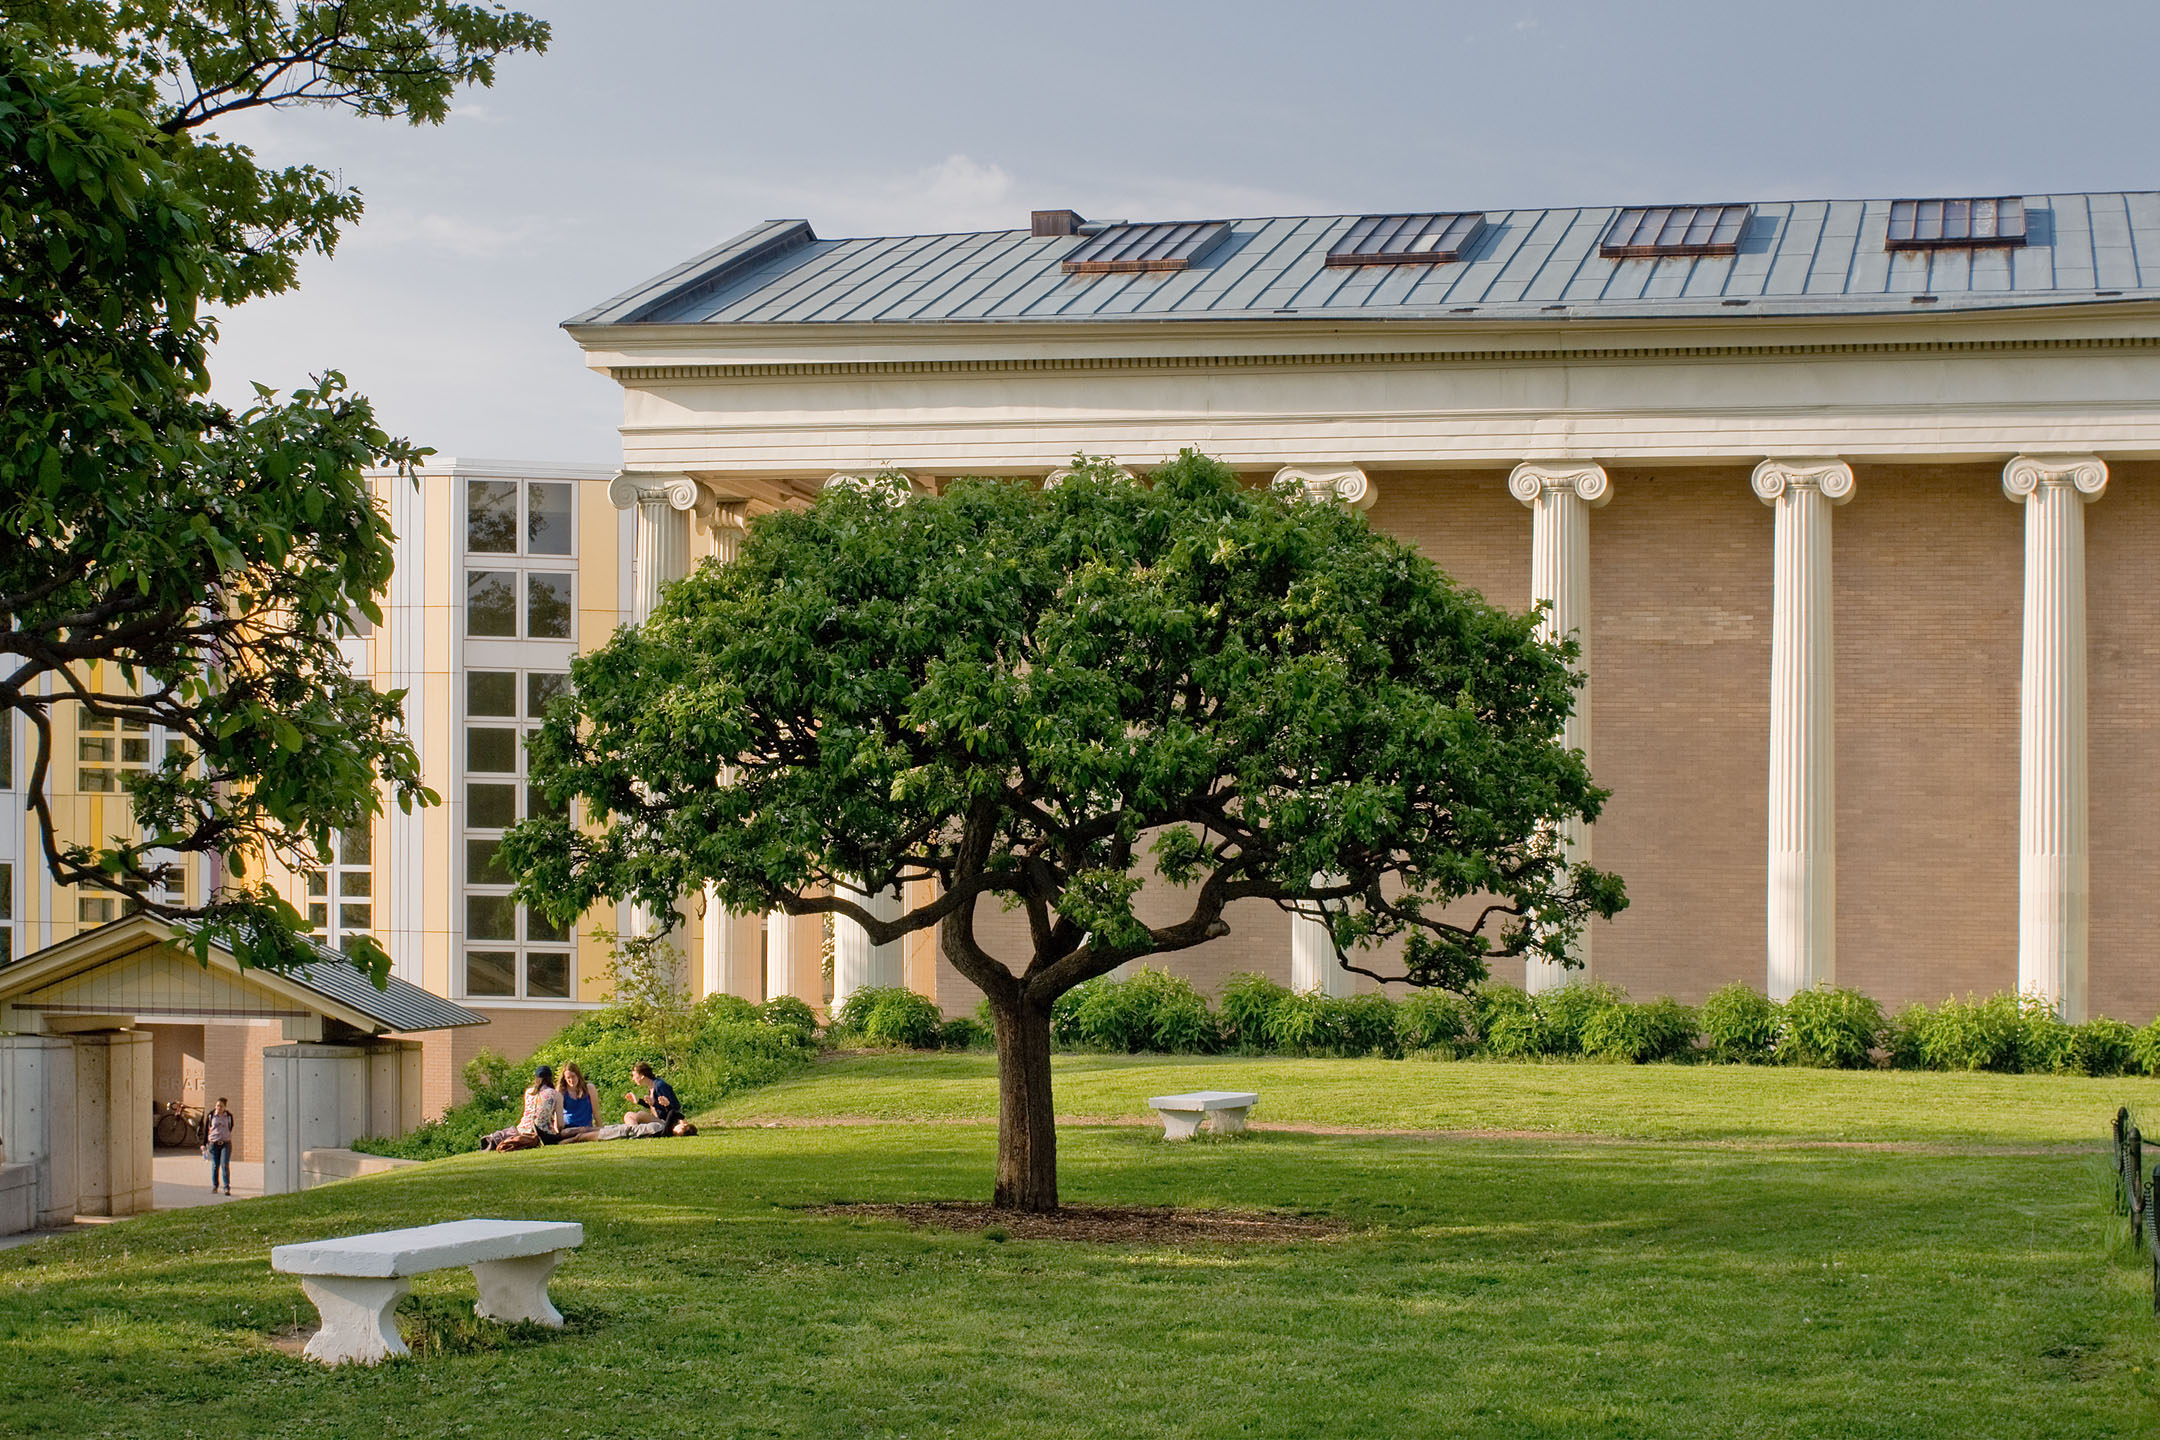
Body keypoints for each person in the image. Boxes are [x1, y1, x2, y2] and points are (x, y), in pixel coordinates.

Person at [623, 1061, 690, 1134]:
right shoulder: (651, 1086)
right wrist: (638, 1101)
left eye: (634, 1075)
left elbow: (672, 1108)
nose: (633, 1079)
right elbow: (656, 1107)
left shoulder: (660, 1086)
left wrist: (654, 1103)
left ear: (642, 1076)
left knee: (639, 1114)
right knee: (629, 1115)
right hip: (658, 1120)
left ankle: (635, 1133)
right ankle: (635, 1132)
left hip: (666, 1122)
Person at [203, 1097, 235, 1195]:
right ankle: (215, 1186)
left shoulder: (228, 1116)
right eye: (217, 1106)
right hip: (214, 1143)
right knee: (215, 1165)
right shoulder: (211, 1115)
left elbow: (231, 1126)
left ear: (225, 1107)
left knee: (225, 1164)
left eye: (221, 1106)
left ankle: (226, 1187)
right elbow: (206, 1130)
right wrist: (203, 1144)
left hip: (225, 1143)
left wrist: (225, 1135)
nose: (219, 1108)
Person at [558, 1062, 596, 1135]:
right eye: (568, 1078)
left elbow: (596, 1112)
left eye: (573, 1076)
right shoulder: (561, 1092)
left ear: (578, 1075)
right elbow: (557, 1115)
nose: (571, 1080)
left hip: (586, 1128)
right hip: (569, 1128)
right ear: (564, 1078)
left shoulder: (589, 1088)